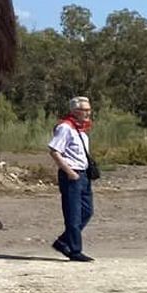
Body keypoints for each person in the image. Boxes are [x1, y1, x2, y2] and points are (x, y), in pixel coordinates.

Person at [49, 95, 96, 262]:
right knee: (73, 215)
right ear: (74, 111)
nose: (88, 113)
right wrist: (69, 172)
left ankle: (63, 242)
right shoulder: (65, 128)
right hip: (72, 175)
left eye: (89, 109)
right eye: (84, 110)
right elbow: (54, 151)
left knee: (87, 211)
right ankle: (75, 250)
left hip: (83, 175)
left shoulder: (80, 129)